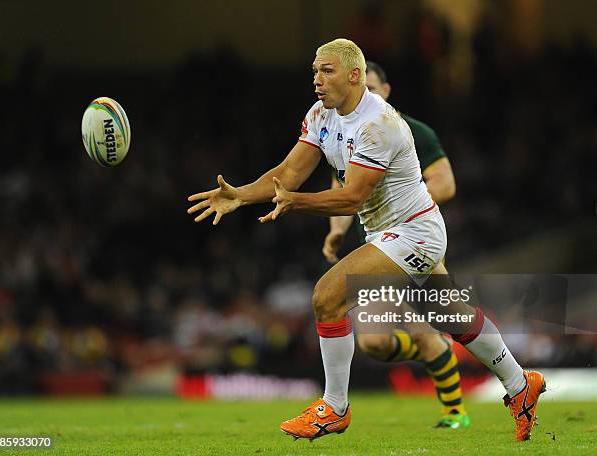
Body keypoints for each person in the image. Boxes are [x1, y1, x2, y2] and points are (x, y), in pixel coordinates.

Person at [187, 38, 545, 442]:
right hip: (392, 232)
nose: (317, 81)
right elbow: (287, 174)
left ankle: (334, 408)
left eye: (327, 71)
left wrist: (296, 203)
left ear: (355, 75)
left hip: (414, 232)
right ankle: (520, 385)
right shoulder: (321, 114)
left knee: (327, 296)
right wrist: (240, 194)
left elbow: (351, 196)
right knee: (453, 318)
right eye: (314, 72)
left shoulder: (379, 124)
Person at [323, 60, 469, 429]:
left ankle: (455, 412)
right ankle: (436, 351)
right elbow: (343, 189)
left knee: (431, 327)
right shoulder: (348, 132)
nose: (365, 97)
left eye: (371, 89)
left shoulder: (413, 131)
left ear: (386, 92)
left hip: (410, 240)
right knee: (374, 344)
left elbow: (446, 183)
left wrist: (401, 203)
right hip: (373, 246)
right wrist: (337, 230)